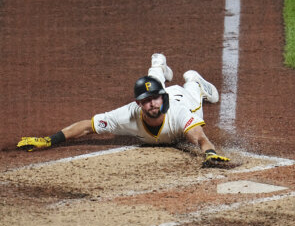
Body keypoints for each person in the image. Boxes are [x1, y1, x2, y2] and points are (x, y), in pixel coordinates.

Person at [17, 53, 231, 167]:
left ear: (162, 97)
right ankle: (158, 67)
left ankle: (194, 80)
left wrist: (210, 154)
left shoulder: (180, 114)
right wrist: (49, 140)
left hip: (183, 99)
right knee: (151, 84)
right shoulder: (127, 115)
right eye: (145, 101)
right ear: (138, 104)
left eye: (156, 99)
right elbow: (87, 126)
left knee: (189, 89)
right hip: (163, 93)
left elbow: (200, 138)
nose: (152, 104)